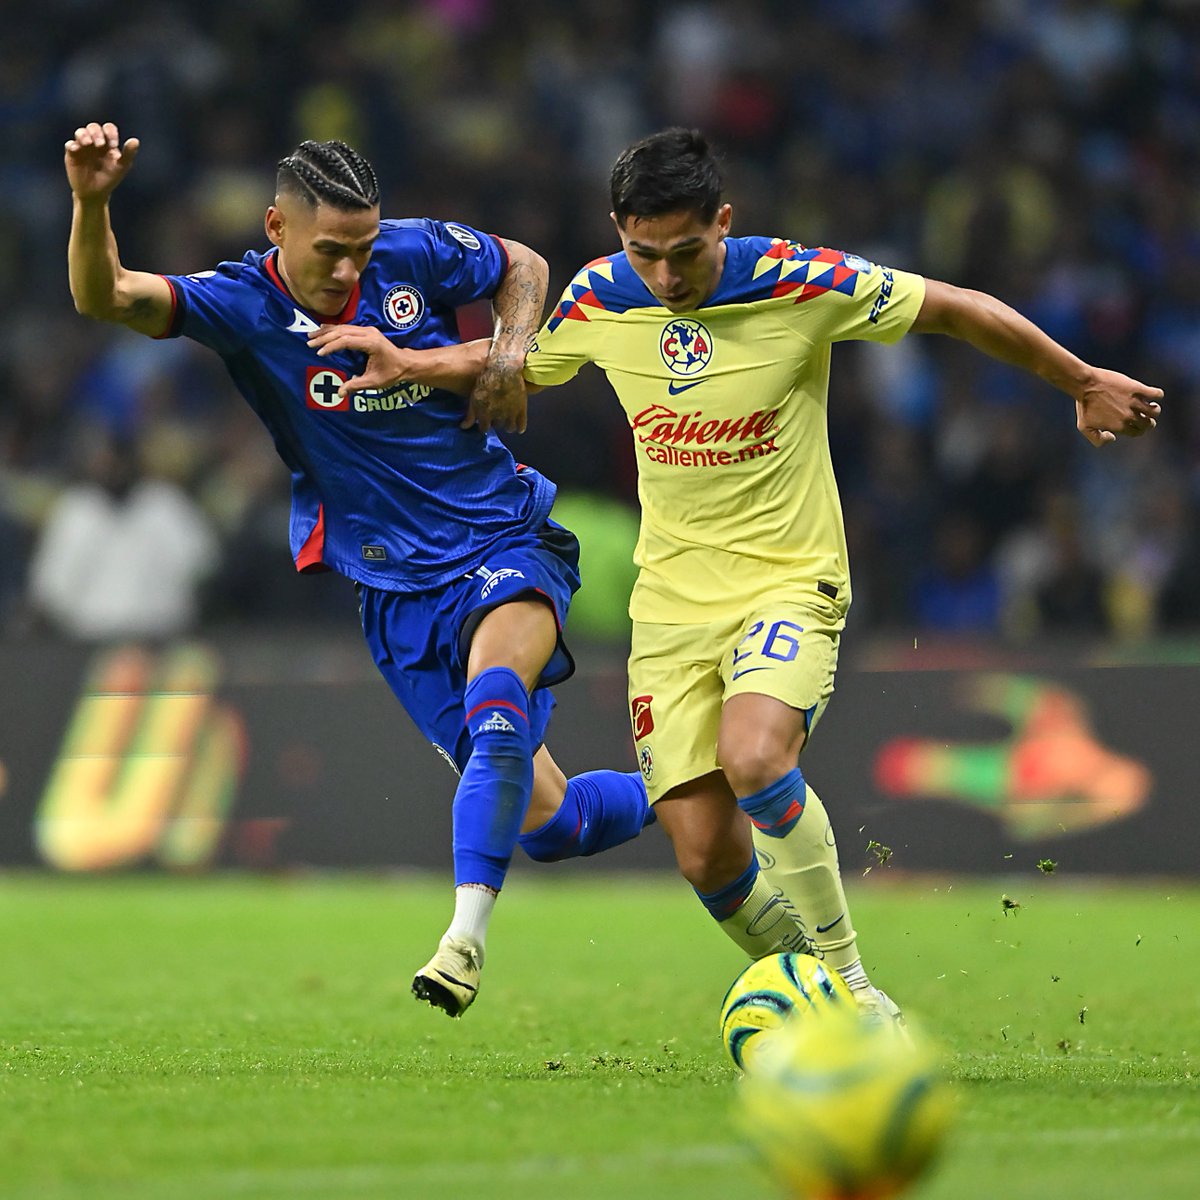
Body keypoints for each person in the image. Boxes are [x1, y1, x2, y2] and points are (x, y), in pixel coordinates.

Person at [332, 127, 1163, 1023]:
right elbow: (516, 364)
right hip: (671, 607)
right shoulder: (602, 296)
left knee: (757, 758)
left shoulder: (803, 282)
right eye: (643, 252)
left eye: (684, 252)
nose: (665, 276)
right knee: (706, 855)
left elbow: (956, 305)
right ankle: (823, 1006)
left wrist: (1079, 381)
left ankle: (853, 988)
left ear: (723, 221)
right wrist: (413, 361)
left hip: (787, 580)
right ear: (620, 233)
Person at [63, 121, 718, 1020]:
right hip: (392, 589)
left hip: (502, 538)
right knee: (552, 825)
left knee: (498, 714)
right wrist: (93, 202)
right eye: (331, 251)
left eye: (363, 249)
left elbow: (523, 264)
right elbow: (108, 298)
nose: (350, 271)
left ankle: (463, 940)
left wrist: (510, 351)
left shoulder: (415, 254)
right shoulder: (239, 308)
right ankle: (700, 774)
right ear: (275, 229)